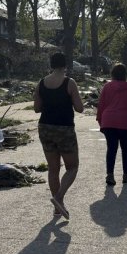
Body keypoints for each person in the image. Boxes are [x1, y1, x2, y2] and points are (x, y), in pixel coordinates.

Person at [34, 52, 84, 219]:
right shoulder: (69, 83)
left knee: (53, 168)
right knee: (72, 167)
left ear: (51, 64)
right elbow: (80, 108)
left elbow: (36, 108)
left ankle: (58, 208)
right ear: (65, 65)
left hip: (45, 127)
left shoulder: (41, 83)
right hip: (64, 129)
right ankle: (58, 198)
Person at [96, 63, 127, 185]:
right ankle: (126, 176)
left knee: (111, 149)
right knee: (126, 149)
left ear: (112, 74)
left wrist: (100, 120)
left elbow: (101, 105)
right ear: (125, 75)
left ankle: (110, 175)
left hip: (109, 121)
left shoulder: (107, 87)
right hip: (125, 122)